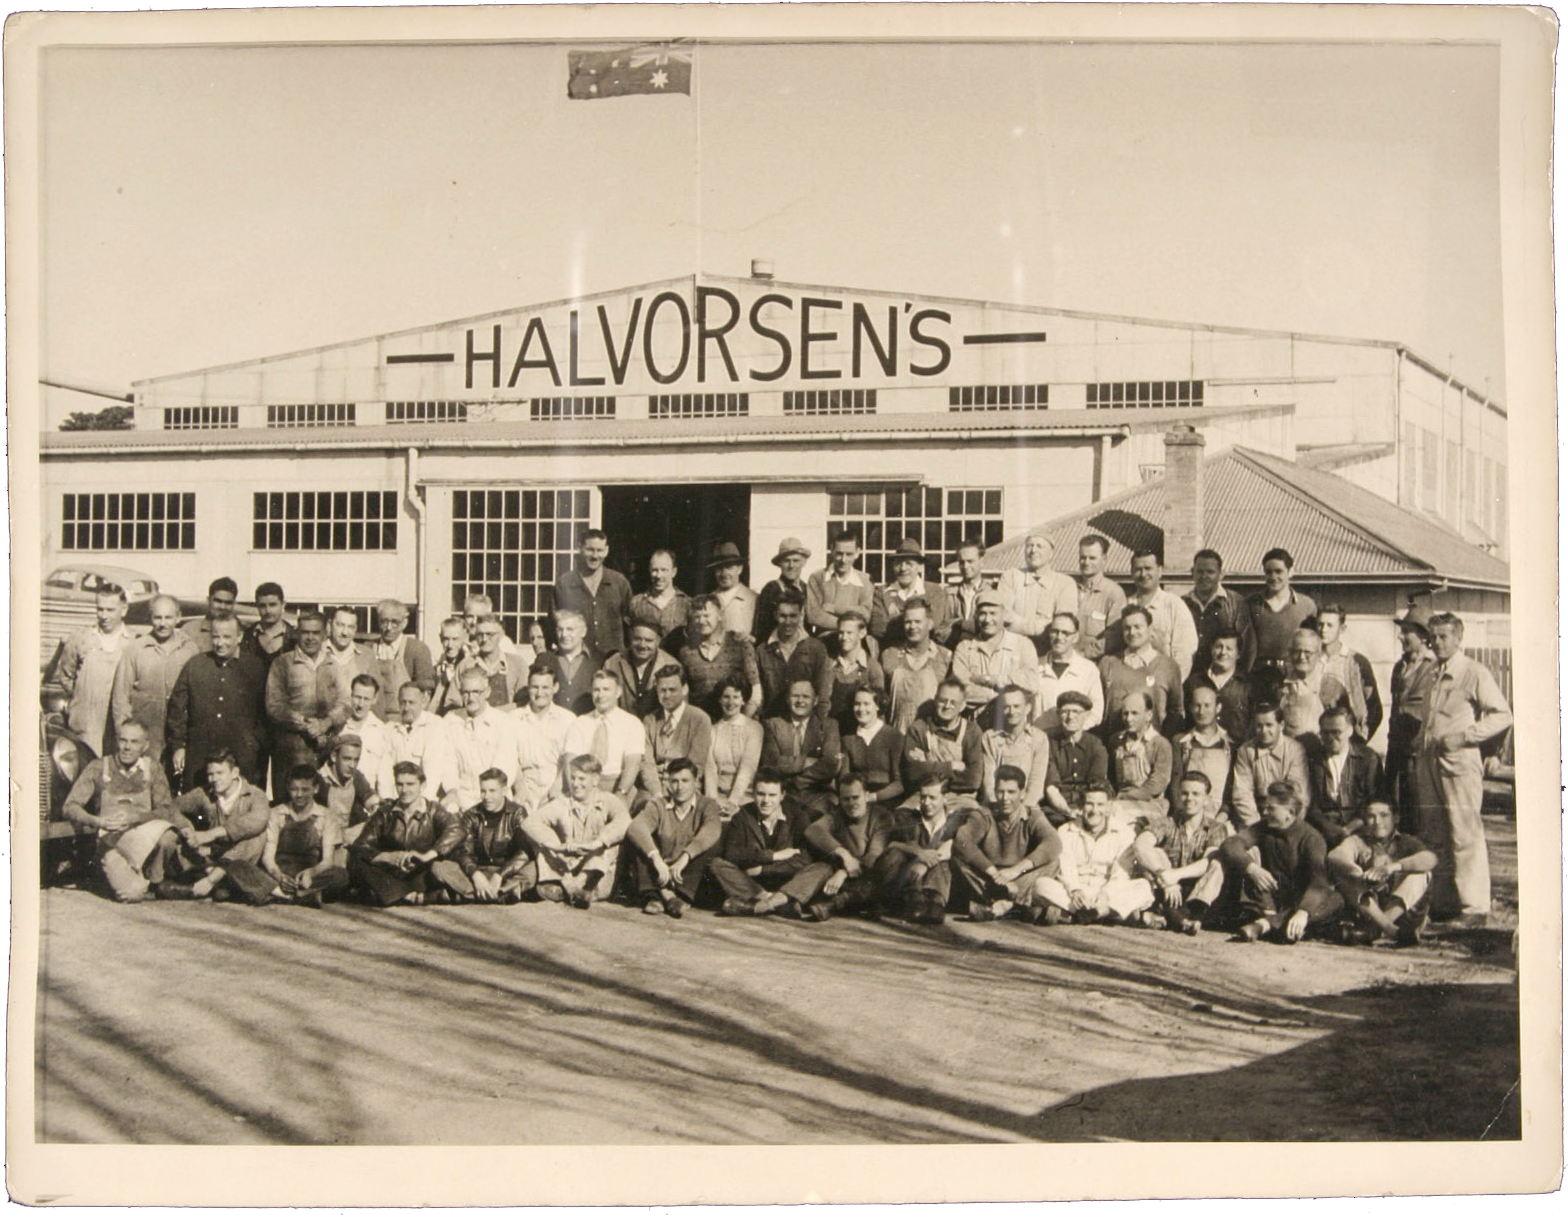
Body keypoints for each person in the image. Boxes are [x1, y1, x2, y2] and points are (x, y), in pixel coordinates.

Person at [1411, 612, 1512, 924]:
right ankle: (1443, 902)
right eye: (1434, 636)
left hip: (1459, 762)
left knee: (1465, 833)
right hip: (1429, 760)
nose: (1437, 642)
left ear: (1458, 638)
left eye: (1444, 637)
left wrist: (1467, 737)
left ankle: (1475, 908)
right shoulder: (1431, 673)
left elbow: (1502, 715)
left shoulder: (1473, 672)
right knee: (1434, 831)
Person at [60, 719, 184, 903]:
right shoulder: (99, 766)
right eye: (123, 740)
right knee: (131, 894)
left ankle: (154, 881)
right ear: (117, 742)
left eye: (134, 742)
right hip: (111, 841)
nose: (127, 747)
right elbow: (70, 807)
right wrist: (97, 821)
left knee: (169, 838)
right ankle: (112, 874)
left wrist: (136, 817)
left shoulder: (153, 768)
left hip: (142, 837)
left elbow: (165, 810)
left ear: (145, 746)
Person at [1219, 781, 1340, 943]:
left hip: (1300, 901)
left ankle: (1264, 925)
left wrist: (1303, 912)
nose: (1264, 811)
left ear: (1290, 812)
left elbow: (1318, 882)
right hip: (1270, 898)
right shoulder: (1264, 827)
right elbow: (1231, 844)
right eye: (1265, 806)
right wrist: (1252, 868)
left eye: (1271, 808)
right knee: (1243, 868)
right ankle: (1283, 928)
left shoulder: (1312, 838)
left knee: (1335, 900)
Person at [222, 764, 348, 907]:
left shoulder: (326, 816)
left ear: (316, 789)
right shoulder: (277, 813)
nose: (299, 795)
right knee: (237, 866)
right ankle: (293, 895)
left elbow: (327, 861)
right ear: (288, 789)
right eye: (294, 789)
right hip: (278, 873)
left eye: (305, 789)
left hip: (308, 876)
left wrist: (311, 873)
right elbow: (268, 858)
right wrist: (279, 876)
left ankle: (275, 894)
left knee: (341, 876)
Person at [167, 615, 268, 792]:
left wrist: (254, 743)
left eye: (227, 637)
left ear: (239, 637)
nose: (220, 643)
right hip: (200, 752)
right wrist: (179, 746)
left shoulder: (256, 667)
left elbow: (266, 712)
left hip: (242, 753)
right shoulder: (195, 666)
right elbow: (177, 709)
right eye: (215, 636)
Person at [348, 760, 469, 905]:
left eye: (410, 784)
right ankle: (415, 897)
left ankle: (395, 895)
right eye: (400, 784)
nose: (404, 790)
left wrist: (426, 856)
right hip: (391, 872)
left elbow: (457, 828)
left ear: (422, 786)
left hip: (420, 873)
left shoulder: (433, 810)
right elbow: (361, 845)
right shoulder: (385, 812)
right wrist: (388, 857)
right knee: (356, 862)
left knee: (439, 868)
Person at [1032, 783, 1155, 925]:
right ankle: (1110, 915)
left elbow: (1121, 873)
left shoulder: (1124, 832)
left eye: (1100, 805)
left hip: (1107, 892)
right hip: (1077, 891)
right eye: (1089, 804)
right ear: (1080, 806)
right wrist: (1075, 890)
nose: (1094, 810)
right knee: (1041, 885)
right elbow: (1067, 867)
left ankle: (1080, 915)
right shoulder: (1066, 831)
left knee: (1143, 887)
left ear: (1109, 807)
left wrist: (1105, 895)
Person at [159, 748, 273, 900]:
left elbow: (259, 820)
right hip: (212, 856)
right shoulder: (205, 793)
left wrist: (211, 834)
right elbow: (173, 807)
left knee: (257, 836)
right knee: (173, 841)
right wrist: (186, 828)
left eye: (220, 773)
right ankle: (221, 886)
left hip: (239, 858)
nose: (214, 779)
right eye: (210, 774)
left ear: (234, 773)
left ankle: (209, 882)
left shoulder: (254, 795)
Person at [952, 765, 1062, 922]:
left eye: (1011, 792)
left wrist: (1015, 871)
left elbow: (1054, 842)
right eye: (1000, 791)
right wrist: (992, 871)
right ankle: (1016, 907)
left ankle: (999, 906)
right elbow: (962, 840)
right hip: (990, 879)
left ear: (1022, 793)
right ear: (995, 791)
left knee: (1054, 861)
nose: (1005, 798)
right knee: (958, 857)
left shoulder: (1032, 815)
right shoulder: (984, 814)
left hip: (1020, 877)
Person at [523, 755, 632, 907]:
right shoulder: (563, 802)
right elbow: (530, 822)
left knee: (610, 846)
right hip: (569, 865)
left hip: (596, 872)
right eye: (573, 778)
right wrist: (555, 845)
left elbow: (624, 821)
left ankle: (575, 887)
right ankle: (572, 888)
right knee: (541, 842)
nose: (575, 784)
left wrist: (597, 843)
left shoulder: (608, 800)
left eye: (581, 779)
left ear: (595, 780)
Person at [707, 769, 817, 916]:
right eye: (761, 794)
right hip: (752, 884)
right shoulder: (743, 816)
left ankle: (759, 906)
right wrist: (773, 856)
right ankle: (776, 903)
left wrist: (763, 870)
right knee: (716, 864)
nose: (766, 801)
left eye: (772, 795)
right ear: (753, 794)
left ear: (782, 796)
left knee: (819, 868)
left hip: (786, 882)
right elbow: (732, 854)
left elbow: (805, 859)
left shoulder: (797, 817)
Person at [1326, 800, 1438, 945]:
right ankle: (1390, 930)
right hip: (1371, 910)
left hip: (1404, 915)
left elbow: (1431, 859)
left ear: (1395, 818)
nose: (1377, 821)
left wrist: (1392, 867)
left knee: (1423, 873)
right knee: (1343, 873)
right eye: (1371, 816)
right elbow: (1336, 855)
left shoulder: (1407, 841)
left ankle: (1375, 930)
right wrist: (1358, 874)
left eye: (1384, 815)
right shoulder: (1357, 841)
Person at [624, 758, 725, 917]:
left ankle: (680, 896)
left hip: (686, 870)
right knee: (639, 842)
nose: (680, 787)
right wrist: (656, 858)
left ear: (696, 782)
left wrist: (685, 856)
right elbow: (636, 827)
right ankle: (662, 896)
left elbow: (712, 830)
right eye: (675, 781)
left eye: (685, 781)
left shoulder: (707, 805)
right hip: (661, 868)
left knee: (710, 846)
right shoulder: (659, 804)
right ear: (668, 783)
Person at [1133, 770, 1230, 933]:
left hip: (1199, 892)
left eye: (1196, 794)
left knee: (1217, 862)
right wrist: (1165, 876)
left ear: (1206, 799)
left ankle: (1188, 915)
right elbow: (1141, 844)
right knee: (1156, 852)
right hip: (1169, 890)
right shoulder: (1167, 823)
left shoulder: (1216, 828)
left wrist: (1175, 874)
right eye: (1184, 793)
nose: (1189, 799)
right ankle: (1179, 919)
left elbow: (1207, 862)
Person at [109, 593, 198, 771]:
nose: (163, 623)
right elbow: (120, 696)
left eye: (168, 617)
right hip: (146, 733)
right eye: (158, 617)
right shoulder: (136, 649)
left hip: (177, 735)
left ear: (178, 617)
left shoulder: (189, 649)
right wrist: (126, 735)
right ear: (150, 618)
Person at [264, 610, 346, 798]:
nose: (310, 638)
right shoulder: (282, 664)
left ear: (324, 635)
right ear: (297, 634)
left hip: (325, 746)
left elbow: (345, 702)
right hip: (291, 747)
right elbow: (274, 706)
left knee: (322, 803)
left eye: (315, 633)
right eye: (305, 632)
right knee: (290, 801)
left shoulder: (334, 667)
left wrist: (324, 724)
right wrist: (306, 725)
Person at [795, 772, 898, 921]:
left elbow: (874, 856)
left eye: (855, 797)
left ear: (867, 796)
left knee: (888, 864)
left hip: (868, 875)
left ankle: (837, 903)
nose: (851, 804)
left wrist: (843, 873)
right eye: (845, 799)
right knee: (819, 868)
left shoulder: (882, 816)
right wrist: (844, 854)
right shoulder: (837, 815)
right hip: (846, 876)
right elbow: (813, 830)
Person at [880, 772, 980, 925]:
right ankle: (914, 902)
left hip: (940, 881)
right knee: (898, 855)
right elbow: (892, 845)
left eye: (932, 797)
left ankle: (936, 903)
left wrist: (925, 864)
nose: (926, 802)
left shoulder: (956, 821)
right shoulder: (909, 819)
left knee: (945, 861)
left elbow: (953, 846)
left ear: (945, 798)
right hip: (911, 881)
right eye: (923, 797)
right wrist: (919, 853)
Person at [427, 668, 521, 814]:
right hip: (461, 798)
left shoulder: (504, 722)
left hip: (494, 798)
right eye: (466, 692)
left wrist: (486, 797)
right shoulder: (450, 721)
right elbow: (447, 762)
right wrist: (452, 791)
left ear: (487, 692)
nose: (471, 698)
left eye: (476, 692)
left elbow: (504, 766)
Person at [53, 583, 133, 755]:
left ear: (124, 609)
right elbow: (66, 676)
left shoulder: (134, 643)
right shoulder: (81, 639)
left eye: (110, 610)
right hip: (86, 726)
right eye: (100, 609)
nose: (103, 616)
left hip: (119, 727)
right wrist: (83, 699)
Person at [1105, 550, 1199, 681]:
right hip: (1130, 682)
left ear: (1160, 571)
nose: (1143, 574)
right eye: (1138, 569)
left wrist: (1170, 685)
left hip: (1163, 683)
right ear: (1131, 572)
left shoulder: (1174, 605)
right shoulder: (1124, 604)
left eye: (1148, 568)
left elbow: (1185, 655)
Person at [760, 679, 843, 820]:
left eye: (806, 696)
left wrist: (798, 781)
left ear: (815, 700)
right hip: (784, 795)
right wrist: (805, 761)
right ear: (787, 699)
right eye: (795, 696)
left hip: (818, 794)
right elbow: (771, 763)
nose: (800, 701)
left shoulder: (829, 726)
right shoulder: (773, 725)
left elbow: (831, 763)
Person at [1386, 603, 1438, 829]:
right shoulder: (1400, 667)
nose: (1401, 637)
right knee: (1400, 812)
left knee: (1422, 813)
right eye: (1402, 631)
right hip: (1397, 749)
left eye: (1407, 632)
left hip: (1420, 752)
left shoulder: (1434, 668)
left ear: (1423, 635)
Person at [1305, 705, 1383, 849]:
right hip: (1324, 830)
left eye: (1336, 732)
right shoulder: (1313, 760)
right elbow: (1311, 804)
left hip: (1361, 827)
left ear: (1350, 730)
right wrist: (1329, 828)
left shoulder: (1368, 758)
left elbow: (1375, 800)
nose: (1330, 738)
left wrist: (1348, 829)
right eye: (1325, 733)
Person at [560, 669, 645, 802]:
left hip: (618, 784)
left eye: (606, 689)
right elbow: (570, 761)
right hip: (583, 786)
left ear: (618, 692)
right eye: (596, 690)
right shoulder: (580, 723)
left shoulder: (632, 723)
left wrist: (621, 794)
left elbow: (633, 764)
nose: (600, 695)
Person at [950, 591, 1040, 716]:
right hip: (975, 722)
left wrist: (990, 679)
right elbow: (960, 688)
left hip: (1011, 720)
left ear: (1004, 615)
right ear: (976, 616)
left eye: (993, 613)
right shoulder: (965, 647)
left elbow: (1032, 682)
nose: (987, 620)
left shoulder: (1022, 644)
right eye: (982, 614)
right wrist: (999, 696)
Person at [454, 768, 537, 903]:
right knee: (440, 867)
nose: (486, 797)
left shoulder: (517, 812)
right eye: (483, 791)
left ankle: (477, 895)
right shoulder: (471, 815)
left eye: (492, 791)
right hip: (479, 870)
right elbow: (463, 852)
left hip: (506, 872)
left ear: (504, 791)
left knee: (534, 868)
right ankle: (500, 894)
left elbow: (525, 851)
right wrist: (475, 875)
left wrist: (500, 875)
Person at [1098, 604, 1182, 735]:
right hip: (1113, 745)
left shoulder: (1168, 666)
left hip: (1152, 747)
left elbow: (1176, 711)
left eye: (1138, 627)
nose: (1132, 633)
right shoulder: (1107, 663)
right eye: (1127, 628)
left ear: (1150, 629)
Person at [901, 678, 984, 809]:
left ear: (962, 706)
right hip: (924, 796)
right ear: (935, 700)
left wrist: (928, 766)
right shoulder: (919, 729)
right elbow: (912, 773)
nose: (947, 706)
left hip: (960, 798)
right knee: (901, 817)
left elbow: (973, 780)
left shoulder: (972, 731)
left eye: (953, 702)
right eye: (943, 701)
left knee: (972, 822)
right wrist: (951, 766)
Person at [679, 594, 763, 719]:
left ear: (719, 615)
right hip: (702, 726)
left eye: (707, 615)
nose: (701, 621)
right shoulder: (686, 652)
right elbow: (684, 695)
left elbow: (755, 694)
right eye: (697, 617)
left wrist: (739, 722)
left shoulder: (740, 645)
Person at [553, 528, 633, 657]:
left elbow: (630, 624)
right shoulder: (564, 584)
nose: (595, 556)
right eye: (590, 550)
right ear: (580, 548)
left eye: (599, 550)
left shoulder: (619, 583)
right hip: (579, 660)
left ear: (606, 551)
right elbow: (554, 625)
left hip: (614, 661)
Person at [638, 663, 717, 795]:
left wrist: (674, 792)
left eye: (672, 689)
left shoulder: (699, 719)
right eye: (662, 690)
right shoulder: (650, 720)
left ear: (684, 689)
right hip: (653, 790)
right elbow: (647, 763)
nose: (667, 695)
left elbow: (695, 765)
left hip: (686, 789)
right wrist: (657, 792)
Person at [1229, 702, 1310, 828]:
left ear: (1281, 725)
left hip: (1286, 818)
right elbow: (1242, 793)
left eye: (1269, 725)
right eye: (1259, 726)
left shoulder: (1295, 749)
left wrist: (1284, 823)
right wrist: (1255, 826)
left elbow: (1297, 792)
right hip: (1254, 817)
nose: (1263, 731)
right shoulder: (1246, 750)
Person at [1269, 627, 1359, 740]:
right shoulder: (1279, 685)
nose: (1302, 657)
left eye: (1308, 652)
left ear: (1319, 654)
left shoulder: (1331, 687)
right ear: (1290, 653)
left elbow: (1343, 728)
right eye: (1297, 651)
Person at [756, 591, 833, 721]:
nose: (787, 622)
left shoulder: (816, 649)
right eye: (783, 616)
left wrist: (817, 727)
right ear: (775, 615)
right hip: (772, 724)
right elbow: (759, 698)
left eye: (793, 616)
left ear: (801, 615)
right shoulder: (762, 651)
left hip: (807, 725)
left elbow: (823, 696)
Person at [996, 533, 1077, 656]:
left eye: (1040, 546)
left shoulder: (1065, 583)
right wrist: (1038, 626)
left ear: (1051, 553)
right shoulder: (1011, 576)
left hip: (1047, 651)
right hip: (1012, 650)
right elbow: (1003, 614)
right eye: (1029, 546)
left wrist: (1019, 624)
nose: (1033, 550)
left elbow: (1062, 622)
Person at [880, 599, 952, 734]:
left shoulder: (944, 657)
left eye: (918, 621)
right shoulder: (889, 655)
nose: (912, 627)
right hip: (896, 734)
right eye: (908, 622)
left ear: (930, 624)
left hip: (931, 736)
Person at [511, 662, 574, 811]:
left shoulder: (568, 719)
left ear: (555, 688)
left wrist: (556, 789)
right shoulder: (513, 718)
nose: (539, 693)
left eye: (545, 687)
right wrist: (520, 788)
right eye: (535, 687)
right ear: (528, 687)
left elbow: (569, 761)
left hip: (556, 787)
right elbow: (510, 759)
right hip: (524, 788)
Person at [1181, 549, 1256, 675]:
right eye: (1199, 571)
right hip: (1189, 676)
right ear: (1192, 573)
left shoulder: (1236, 603)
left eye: (1210, 572)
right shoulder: (1181, 604)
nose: (1204, 576)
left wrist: (1238, 681)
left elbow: (1247, 646)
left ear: (1221, 574)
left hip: (1224, 676)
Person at [1247, 547, 1318, 679]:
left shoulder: (1306, 605)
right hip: (1259, 675)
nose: (1273, 577)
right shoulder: (1252, 604)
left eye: (1278, 571)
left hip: (1294, 674)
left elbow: (1314, 644)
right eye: (1269, 572)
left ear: (1290, 572)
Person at [1315, 605, 1382, 740]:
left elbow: (1374, 709)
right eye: (1320, 624)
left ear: (1342, 629)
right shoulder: (1310, 659)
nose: (1323, 630)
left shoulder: (1356, 662)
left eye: (1330, 625)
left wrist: (1360, 739)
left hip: (1345, 739)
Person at [1042, 691, 1109, 826]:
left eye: (1076, 712)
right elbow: (1051, 788)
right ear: (1058, 714)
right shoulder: (1047, 741)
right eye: (1065, 712)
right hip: (1055, 808)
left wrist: (1085, 810)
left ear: (1086, 715)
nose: (1070, 717)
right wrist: (1067, 811)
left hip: (1088, 806)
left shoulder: (1095, 745)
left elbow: (1097, 785)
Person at [363, 598, 437, 720]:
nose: (388, 628)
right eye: (384, 622)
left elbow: (425, 692)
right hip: (373, 718)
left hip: (405, 717)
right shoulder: (368, 648)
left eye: (394, 622)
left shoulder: (417, 649)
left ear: (404, 623)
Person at [980, 685, 1051, 806]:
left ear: (1027, 708)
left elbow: (1036, 785)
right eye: (1006, 707)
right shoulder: (990, 738)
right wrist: (1000, 806)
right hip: (997, 805)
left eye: (1016, 706)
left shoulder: (1039, 738)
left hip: (1028, 807)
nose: (1011, 712)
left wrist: (1021, 811)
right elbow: (989, 783)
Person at [1108, 690, 1174, 818]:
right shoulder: (1116, 741)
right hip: (1121, 800)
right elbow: (1111, 777)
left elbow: (1157, 784)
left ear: (1148, 715)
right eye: (1125, 713)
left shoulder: (1160, 744)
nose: (1129, 719)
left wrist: (1128, 796)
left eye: (1134, 713)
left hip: (1151, 803)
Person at [874, 537, 952, 645]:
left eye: (909, 563)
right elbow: (878, 628)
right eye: (898, 563)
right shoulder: (882, 592)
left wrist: (895, 620)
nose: (903, 568)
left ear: (920, 567)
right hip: (892, 652)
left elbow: (934, 625)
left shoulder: (934, 591)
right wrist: (917, 622)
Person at [1033, 612, 1104, 731]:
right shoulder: (1035, 666)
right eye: (1055, 631)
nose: (1059, 637)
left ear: (1075, 637)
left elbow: (1096, 712)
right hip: (1041, 739)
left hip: (1073, 742)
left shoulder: (1088, 670)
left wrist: (1075, 730)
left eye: (1065, 633)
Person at [1169, 684, 1233, 809]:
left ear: (1218, 708)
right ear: (1190, 708)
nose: (1201, 711)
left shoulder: (1230, 744)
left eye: (1207, 705)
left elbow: (1232, 789)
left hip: (1220, 814)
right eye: (1197, 705)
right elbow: (1176, 785)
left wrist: (1223, 815)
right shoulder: (1180, 742)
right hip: (1188, 811)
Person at [314, 733, 381, 852]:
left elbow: (370, 798)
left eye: (356, 760)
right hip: (324, 842)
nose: (352, 765)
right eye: (347, 759)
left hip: (350, 838)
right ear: (334, 756)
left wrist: (375, 807)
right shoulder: (318, 780)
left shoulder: (356, 777)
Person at [1184, 629, 1253, 745]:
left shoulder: (1248, 684)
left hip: (1238, 752)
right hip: (1200, 750)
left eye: (1229, 648)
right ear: (1211, 649)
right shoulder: (1194, 682)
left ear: (1238, 654)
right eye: (1218, 647)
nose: (1223, 652)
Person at [601, 619, 678, 721]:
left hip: (657, 730)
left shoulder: (672, 665)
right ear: (630, 639)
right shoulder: (613, 663)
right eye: (637, 639)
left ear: (658, 642)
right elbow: (604, 701)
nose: (642, 645)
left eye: (648, 640)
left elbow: (677, 709)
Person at [841, 687, 904, 808]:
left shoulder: (894, 736)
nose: (861, 709)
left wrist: (874, 797)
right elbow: (845, 778)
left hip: (887, 800)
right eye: (857, 704)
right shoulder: (847, 739)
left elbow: (899, 783)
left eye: (866, 704)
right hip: (856, 800)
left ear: (877, 706)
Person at [710, 677, 765, 815]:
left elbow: (748, 766)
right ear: (719, 700)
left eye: (736, 697)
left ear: (743, 700)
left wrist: (733, 801)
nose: (731, 702)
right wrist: (712, 800)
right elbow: (709, 768)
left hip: (746, 795)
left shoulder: (753, 728)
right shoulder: (711, 730)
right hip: (718, 795)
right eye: (726, 697)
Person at [805, 530, 876, 638]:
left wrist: (834, 608)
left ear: (857, 553)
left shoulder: (865, 580)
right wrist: (850, 623)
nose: (843, 560)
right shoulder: (817, 578)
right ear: (832, 550)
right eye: (839, 554)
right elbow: (814, 615)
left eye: (849, 554)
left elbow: (865, 615)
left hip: (855, 641)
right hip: (825, 639)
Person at [382, 682, 443, 801]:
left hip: (424, 799)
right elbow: (385, 772)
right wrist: (389, 801)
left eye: (411, 702)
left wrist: (420, 804)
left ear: (422, 703)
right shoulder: (390, 728)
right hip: (397, 797)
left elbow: (432, 773)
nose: (406, 708)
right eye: (403, 702)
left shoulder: (434, 725)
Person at [460, 613, 534, 708]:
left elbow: (525, 701)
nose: (484, 639)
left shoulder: (517, 664)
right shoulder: (466, 665)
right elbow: (453, 702)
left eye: (489, 634)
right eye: (480, 635)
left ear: (500, 635)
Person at [827, 609, 885, 727]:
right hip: (833, 731)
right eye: (841, 633)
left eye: (849, 633)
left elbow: (879, 709)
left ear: (862, 633)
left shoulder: (872, 668)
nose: (844, 637)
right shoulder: (830, 665)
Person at [1073, 534, 1126, 661]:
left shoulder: (1114, 593)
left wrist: (1082, 656)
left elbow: (1113, 638)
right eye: (1082, 557)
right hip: (1065, 661)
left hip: (1095, 665)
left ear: (1104, 559)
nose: (1086, 562)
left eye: (1092, 558)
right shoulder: (1068, 588)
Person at [753, 537, 812, 647]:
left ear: (803, 562)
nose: (791, 566)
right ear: (780, 563)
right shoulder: (771, 589)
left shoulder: (807, 589)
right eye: (786, 561)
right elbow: (762, 630)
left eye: (796, 561)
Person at [630, 548, 692, 654]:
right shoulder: (636, 603)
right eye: (655, 570)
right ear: (649, 571)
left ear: (673, 572)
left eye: (664, 570)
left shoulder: (687, 604)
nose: (658, 576)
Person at [540, 608, 599, 715]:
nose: (564, 635)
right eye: (560, 629)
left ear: (583, 632)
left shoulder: (597, 661)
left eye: (570, 629)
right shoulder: (545, 660)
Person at [706, 541, 759, 640]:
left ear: (740, 569)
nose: (724, 573)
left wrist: (752, 639)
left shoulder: (754, 599)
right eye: (719, 569)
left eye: (729, 567)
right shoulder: (708, 600)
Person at [241, 581, 297, 667]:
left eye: (272, 605)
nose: (268, 611)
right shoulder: (247, 636)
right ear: (257, 606)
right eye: (263, 606)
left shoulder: (295, 638)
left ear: (283, 604)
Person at [179, 576, 239, 653]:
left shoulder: (240, 631)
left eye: (228, 603)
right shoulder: (189, 631)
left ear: (234, 604)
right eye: (218, 601)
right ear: (208, 600)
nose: (222, 607)